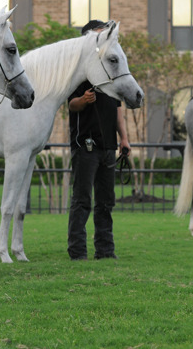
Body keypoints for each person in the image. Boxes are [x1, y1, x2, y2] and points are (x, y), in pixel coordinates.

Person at [67, 20, 131, 260]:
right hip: (85, 145)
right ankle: (77, 251)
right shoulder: (80, 73)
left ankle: (105, 251)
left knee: (106, 202)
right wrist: (83, 100)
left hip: (108, 146)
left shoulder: (109, 73)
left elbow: (117, 109)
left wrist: (124, 139)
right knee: (82, 200)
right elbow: (71, 105)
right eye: (100, 32)